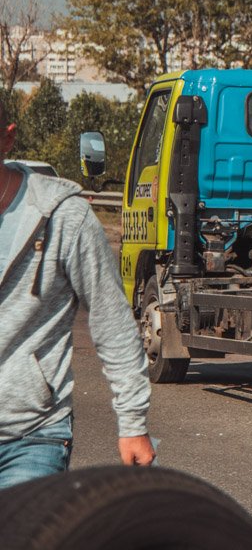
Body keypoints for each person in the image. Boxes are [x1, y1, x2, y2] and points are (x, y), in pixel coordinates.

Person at [0, 97, 154, 488]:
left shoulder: (63, 216)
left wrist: (133, 422)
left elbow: (111, 320)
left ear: (8, 138)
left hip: (32, 435)